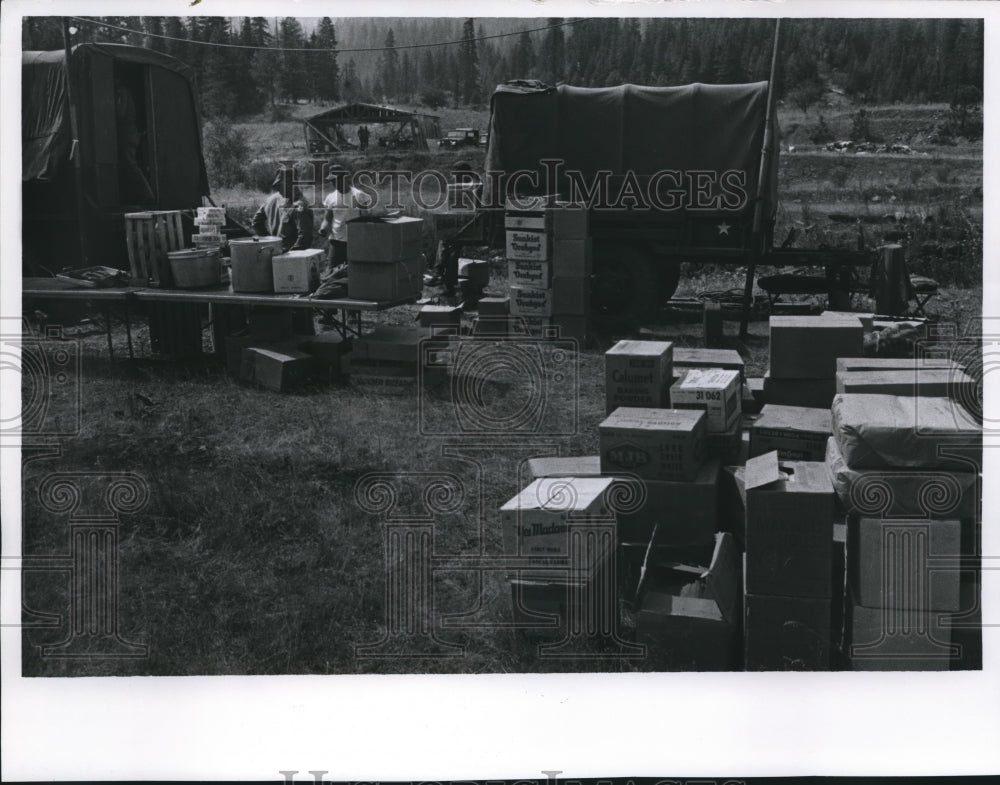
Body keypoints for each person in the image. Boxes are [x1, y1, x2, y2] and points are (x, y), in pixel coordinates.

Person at [318, 163, 376, 279]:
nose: (335, 184)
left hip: (354, 241)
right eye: (332, 181)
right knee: (332, 273)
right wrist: (323, 229)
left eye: (337, 180)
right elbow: (327, 218)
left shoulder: (358, 195)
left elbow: (365, 218)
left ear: (344, 178)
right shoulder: (331, 197)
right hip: (336, 241)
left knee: (354, 273)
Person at [252, 170, 314, 253]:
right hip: (288, 258)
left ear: (290, 183)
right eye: (277, 186)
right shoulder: (301, 205)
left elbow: (256, 223)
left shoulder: (271, 200)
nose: (278, 189)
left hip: (275, 253)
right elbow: (304, 240)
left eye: (279, 185)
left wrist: (270, 244)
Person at [115, 78, 155, 204]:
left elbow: (120, 113)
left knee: (130, 165)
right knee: (128, 165)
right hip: (129, 134)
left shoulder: (122, 92)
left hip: (127, 134)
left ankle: (148, 195)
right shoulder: (123, 92)